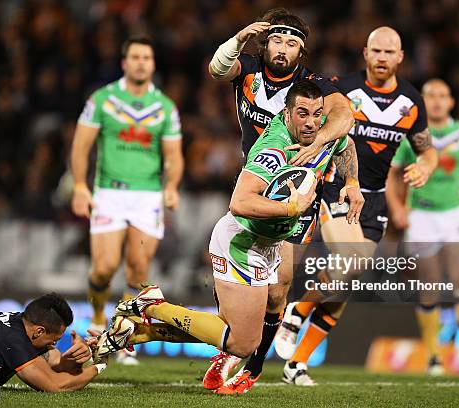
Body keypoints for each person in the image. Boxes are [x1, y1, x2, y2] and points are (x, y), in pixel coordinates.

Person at [94, 81, 360, 395]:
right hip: (243, 242)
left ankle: (141, 333)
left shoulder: (323, 134)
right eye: (302, 114)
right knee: (243, 341)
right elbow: (240, 203)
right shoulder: (273, 150)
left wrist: (352, 181)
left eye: (317, 114)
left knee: (237, 326)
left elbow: (345, 144)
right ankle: (153, 306)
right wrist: (292, 206)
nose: (311, 122)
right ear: (287, 113)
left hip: (269, 243)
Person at [205, 8, 358, 391]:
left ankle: (252, 366)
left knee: (279, 289)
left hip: (299, 189)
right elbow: (216, 69)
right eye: (277, 39)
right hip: (256, 183)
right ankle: (233, 348)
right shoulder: (248, 71)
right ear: (265, 42)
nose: (283, 48)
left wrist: (341, 170)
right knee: (247, 289)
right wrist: (239, 37)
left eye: (292, 43)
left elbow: (345, 121)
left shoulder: (312, 85)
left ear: (300, 52)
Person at [275, 26, 438, 385]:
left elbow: (428, 149)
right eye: (376, 51)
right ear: (365, 52)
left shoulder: (411, 102)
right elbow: (305, 123)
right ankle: (297, 311)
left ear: (400, 57)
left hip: (376, 198)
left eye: (389, 52)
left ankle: (297, 363)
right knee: (351, 261)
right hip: (338, 187)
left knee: (347, 282)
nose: (382, 58)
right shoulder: (341, 90)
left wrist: (426, 165)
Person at [70, 35, 183, 364]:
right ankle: (96, 317)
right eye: (135, 57)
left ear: (153, 64)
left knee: (137, 272)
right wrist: (79, 186)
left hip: (147, 196)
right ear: (124, 63)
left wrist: (172, 184)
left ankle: (121, 334)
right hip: (109, 193)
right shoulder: (102, 100)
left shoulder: (165, 107)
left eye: (146, 58)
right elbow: (80, 145)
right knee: (103, 270)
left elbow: (174, 155)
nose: (140, 62)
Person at [387, 78, 459, 375]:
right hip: (422, 218)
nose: (437, 101)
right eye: (431, 96)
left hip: (454, 216)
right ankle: (434, 356)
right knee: (430, 289)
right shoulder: (412, 134)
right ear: (422, 101)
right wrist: (398, 207)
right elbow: (392, 173)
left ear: (451, 102)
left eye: (443, 95)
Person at [0, 293, 105, 391]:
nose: (54, 346)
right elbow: (55, 385)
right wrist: (100, 365)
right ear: (39, 331)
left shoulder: (16, 321)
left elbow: (53, 362)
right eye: (54, 340)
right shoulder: (14, 342)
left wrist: (76, 357)